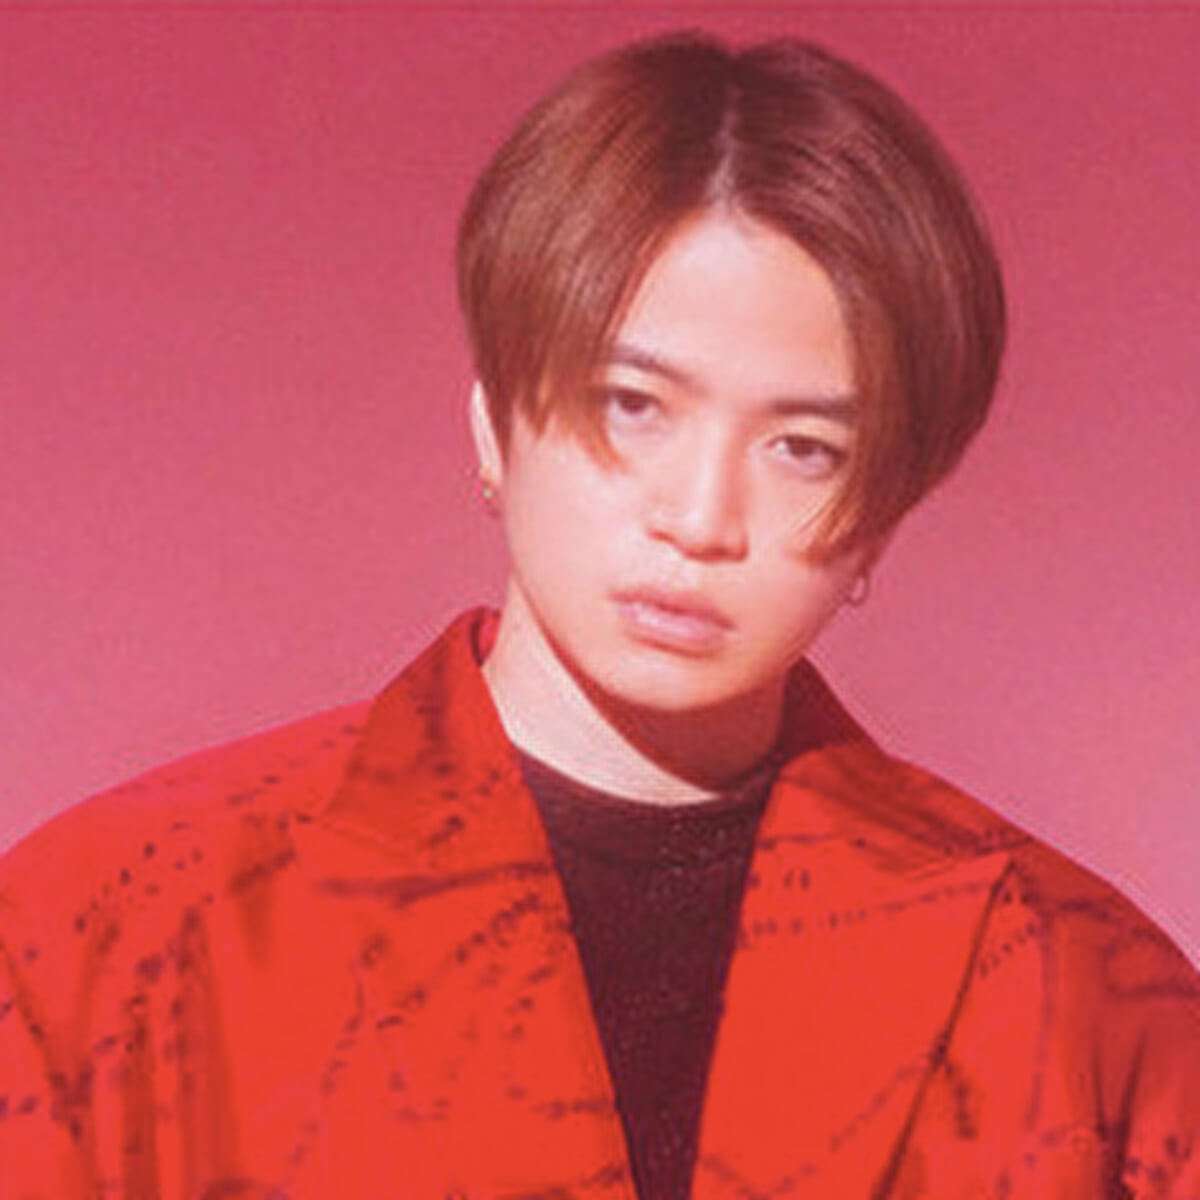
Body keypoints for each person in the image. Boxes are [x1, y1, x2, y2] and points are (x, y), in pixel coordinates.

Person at [2, 29, 1198, 1200]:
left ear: (883, 515)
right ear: (493, 420)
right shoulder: (110, 938)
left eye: (803, 447)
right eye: (633, 404)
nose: (701, 516)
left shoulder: (1088, 1003)